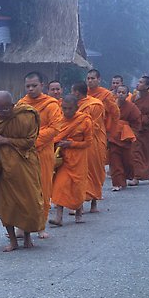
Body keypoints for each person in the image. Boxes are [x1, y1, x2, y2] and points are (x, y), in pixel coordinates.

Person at [0, 90, 44, 252]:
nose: (3, 113)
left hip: (25, 164)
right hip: (4, 168)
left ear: (13, 105)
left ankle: (27, 237)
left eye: (6, 109)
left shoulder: (26, 116)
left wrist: (5, 140)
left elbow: (29, 142)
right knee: (7, 205)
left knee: (29, 202)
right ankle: (13, 241)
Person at [17, 71, 62, 239]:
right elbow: (17, 126)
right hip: (24, 154)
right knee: (24, 190)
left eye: (34, 86)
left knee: (43, 189)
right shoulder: (21, 104)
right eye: (28, 86)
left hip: (43, 153)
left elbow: (55, 128)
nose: (30, 89)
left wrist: (32, 140)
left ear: (42, 85)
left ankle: (40, 226)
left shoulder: (51, 104)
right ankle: (21, 226)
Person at [49, 94, 92, 225]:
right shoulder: (59, 120)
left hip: (78, 158)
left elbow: (88, 142)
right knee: (59, 186)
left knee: (77, 186)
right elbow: (53, 137)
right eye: (64, 108)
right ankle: (59, 217)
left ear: (76, 108)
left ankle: (79, 213)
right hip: (63, 158)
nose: (66, 112)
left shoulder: (85, 121)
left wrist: (71, 144)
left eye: (70, 108)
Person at [71, 81, 106, 213]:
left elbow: (94, 126)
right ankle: (77, 204)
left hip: (93, 143)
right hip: (77, 143)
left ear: (77, 92)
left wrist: (77, 131)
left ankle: (93, 203)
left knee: (94, 172)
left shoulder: (95, 105)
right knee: (78, 174)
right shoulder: (73, 105)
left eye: (72, 91)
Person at [108, 85, 142, 191]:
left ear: (127, 95)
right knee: (114, 161)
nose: (121, 94)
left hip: (126, 138)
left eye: (123, 93)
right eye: (119, 92)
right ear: (116, 94)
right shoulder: (112, 106)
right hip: (113, 137)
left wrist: (132, 134)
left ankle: (125, 178)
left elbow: (137, 122)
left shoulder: (132, 107)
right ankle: (117, 183)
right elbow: (107, 119)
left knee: (127, 161)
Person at [86, 69, 120, 142]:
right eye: (88, 78)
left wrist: (111, 132)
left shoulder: (106, 95)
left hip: (100, 129)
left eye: (92, 78)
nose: (90, 81)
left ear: (99, 80)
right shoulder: (83, 93)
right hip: (84, 129)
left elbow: (115, 113)